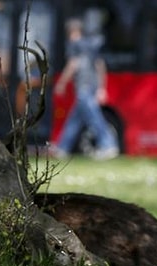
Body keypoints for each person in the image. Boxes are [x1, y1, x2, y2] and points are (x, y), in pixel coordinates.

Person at [49, 17, 119, 160]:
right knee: (75, 119)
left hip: (83, 87)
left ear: (72, 31)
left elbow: (72, 65)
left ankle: (108, 145)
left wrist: (61, 83)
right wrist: (101, 88)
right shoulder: (91, 45)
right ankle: (63, 148)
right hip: (92, 86)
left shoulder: (74, 45)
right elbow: (100, 66)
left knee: (94, 118)